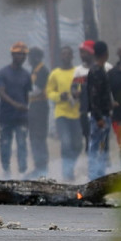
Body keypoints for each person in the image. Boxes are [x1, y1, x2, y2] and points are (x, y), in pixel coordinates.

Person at [0, 41, 32, 178]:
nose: (21, 57)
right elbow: (1, 93)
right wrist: (16, 105)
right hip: (5, 116)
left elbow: (27, 95)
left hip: (21, 117)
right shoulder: (3, 73)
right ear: (12, 55)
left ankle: (22, 171)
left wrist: (26, 110)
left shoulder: (27, 75)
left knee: (22, 144)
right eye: (18, 54)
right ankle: (6, 170)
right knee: (5, 144)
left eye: (23, 55)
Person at [44, 45, 82, 180]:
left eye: (68, 54)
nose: (66, 56)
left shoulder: (78, 72)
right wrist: (61, 96)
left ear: (72, 56)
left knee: (78, 145)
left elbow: (83, 87)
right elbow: (49, 92)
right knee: (66, 142)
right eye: (63, 54)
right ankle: (67, 172)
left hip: (76, 114)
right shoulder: (55, 74)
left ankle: (69, 167)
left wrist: (78, 93)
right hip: (61, 114)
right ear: (60, 56)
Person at [83, 39, 115, 178]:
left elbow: (101, 94)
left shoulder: (100, 69)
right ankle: (93, 176)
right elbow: (94, 96)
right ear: (106, 54)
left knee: (102, 146)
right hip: (99, 117)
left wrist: (110, 104)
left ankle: (100, 174)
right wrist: (98, 117)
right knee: (96, 147)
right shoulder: (96, 71)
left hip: (103, 114)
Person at [26, 46, 51, 178]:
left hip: (40, 106)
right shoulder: (34, 70)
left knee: (39, 136)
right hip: (33, 106)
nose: (28, 60)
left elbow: (37, 90)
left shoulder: (42, 70)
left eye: (30, 56)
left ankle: (42, 168)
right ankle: (38, 166)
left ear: (35, 57)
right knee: (33, 136)